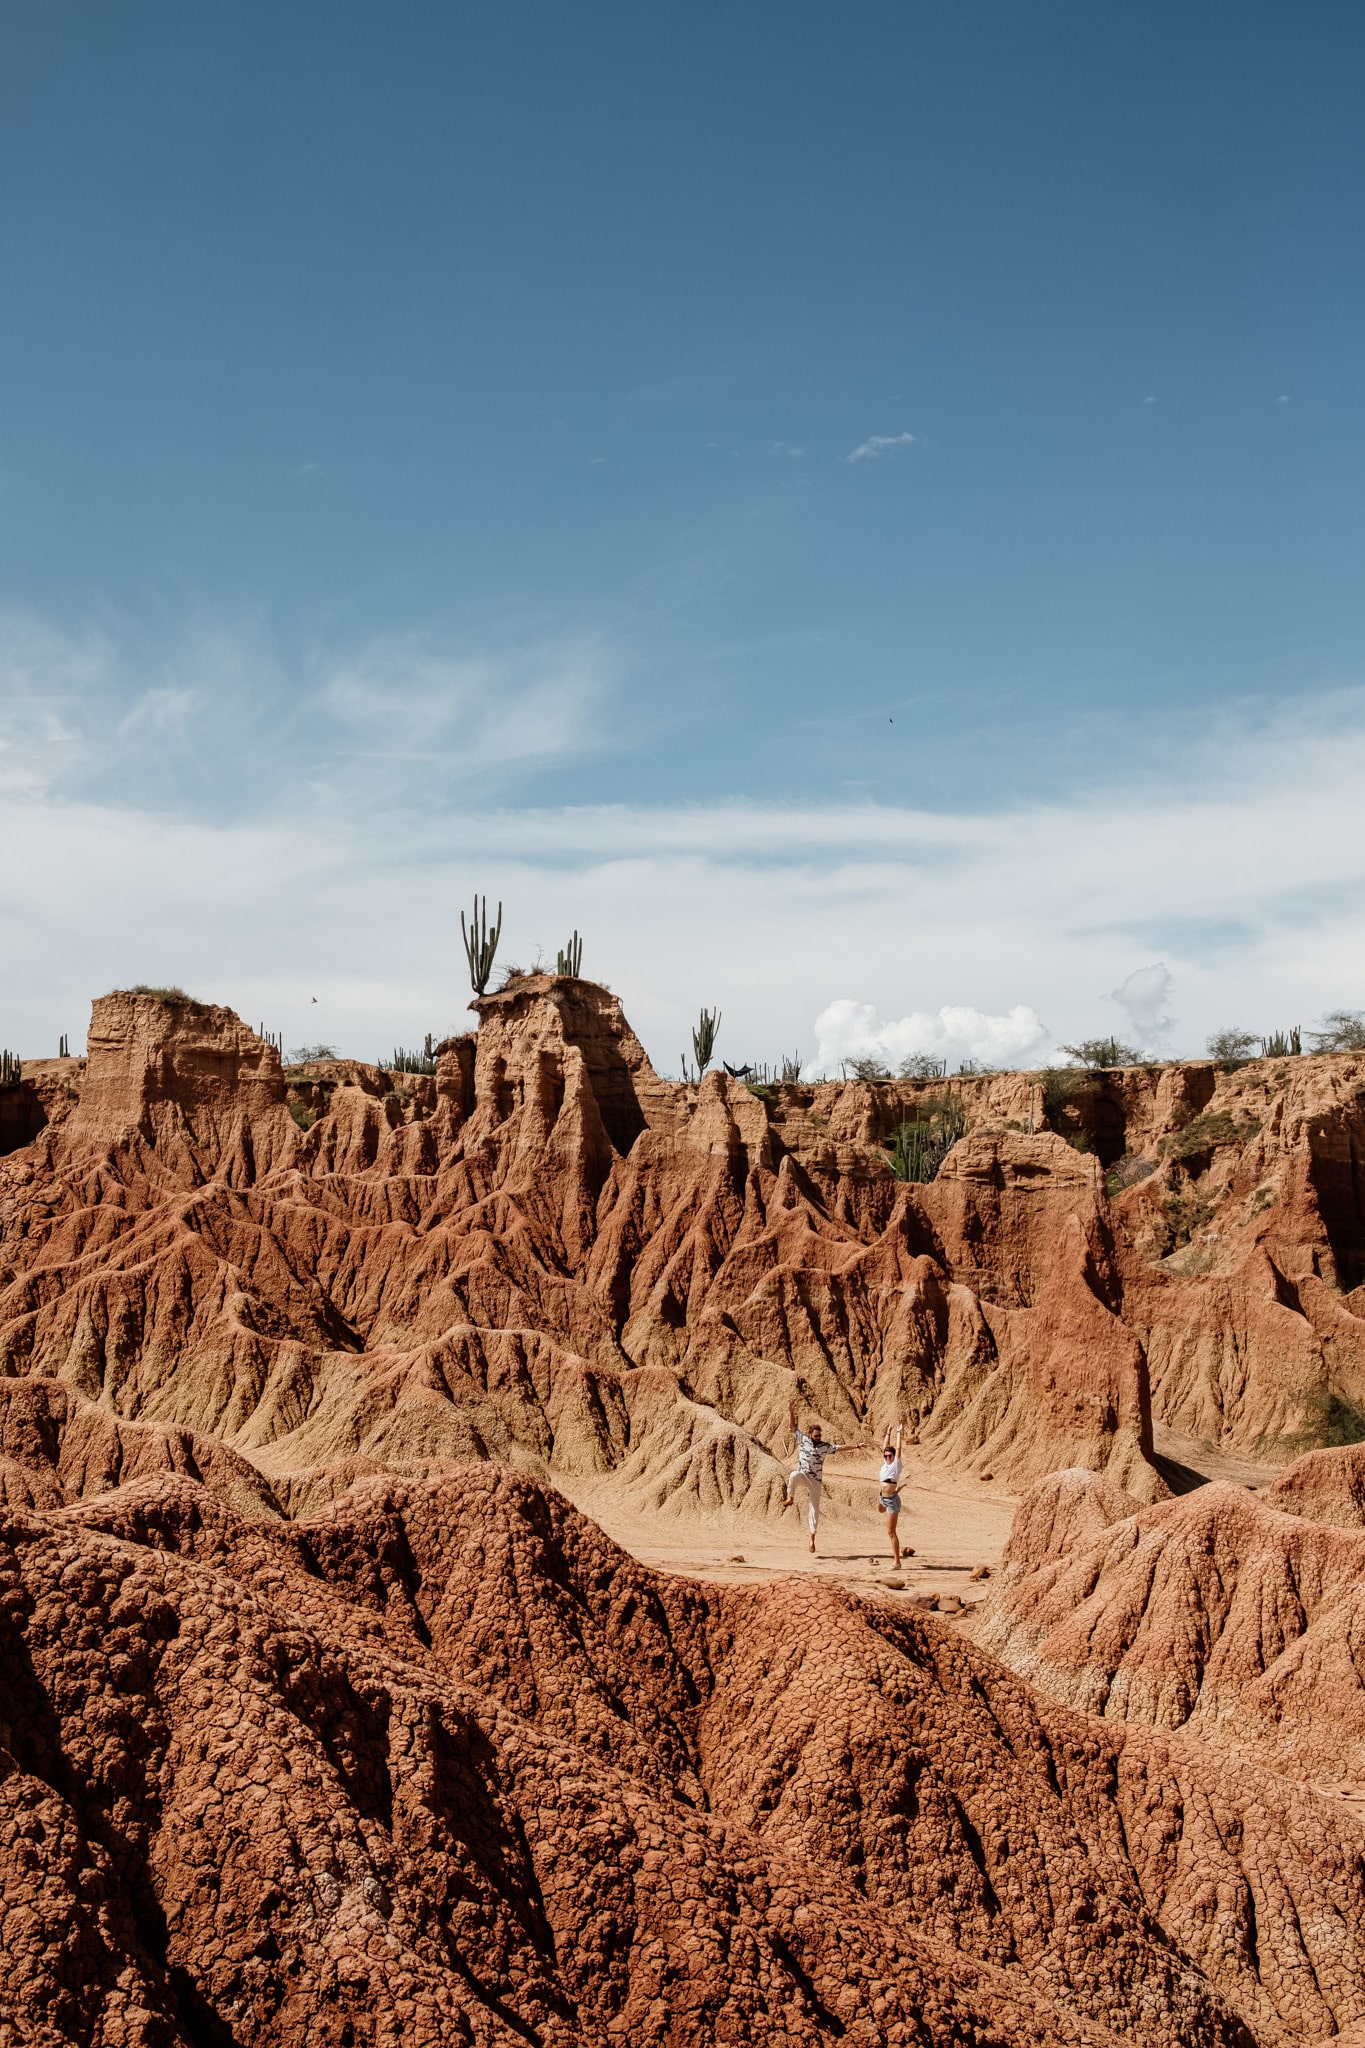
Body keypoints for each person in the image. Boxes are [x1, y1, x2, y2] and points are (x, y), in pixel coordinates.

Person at [781, 1397, 869, 1553]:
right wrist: (790, 1410)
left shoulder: (824, 1446)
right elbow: (792, 1427)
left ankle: (812, 1538)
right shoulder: (803, 1440)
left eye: (819, 1436)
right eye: (815, 1436)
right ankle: (790, 1498)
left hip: (815, 1481)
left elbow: (840, 1448)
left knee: (814, 1508)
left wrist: (856, 1446)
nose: (818, 1438)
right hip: (804, 1475)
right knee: (794, 1475)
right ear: (810, 1435)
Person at [878, 1423, 905, 1568]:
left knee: (891, 1531)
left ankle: (897, 1561)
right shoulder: (885, 1464)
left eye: (890, 1456)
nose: (888, 1457)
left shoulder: (895, 1465)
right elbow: (885, 1447)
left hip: (891, 1501)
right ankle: (882, 1506)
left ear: (894, 1457)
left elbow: (899, 1449)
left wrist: (899, 1433)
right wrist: (888, 1432)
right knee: (880, 1509)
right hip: (882, 1497)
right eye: (886, 1456)